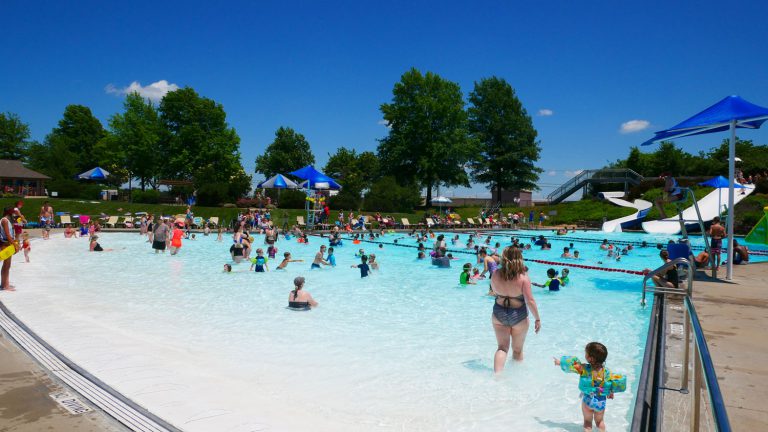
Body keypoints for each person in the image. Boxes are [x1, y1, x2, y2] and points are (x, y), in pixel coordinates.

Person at [554, 342, 627, 432]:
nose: (585, 355)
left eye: (586, 353)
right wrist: (610, 392)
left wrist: (559, 362)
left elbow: (571, 366)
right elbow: (610, 384)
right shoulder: (606, 372)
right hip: (601, 402)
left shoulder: (584, 369)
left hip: (588, 401)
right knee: (600, 422)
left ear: (590, 358)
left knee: (587, 423)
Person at [489, 247, 541, 373]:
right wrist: (537, 319)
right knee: (517, 350)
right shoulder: (523, 278)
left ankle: (497, 377)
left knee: (502, 348)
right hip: (519, 314)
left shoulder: (495, 274)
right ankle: (517, 380)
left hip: (499, 312)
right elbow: (530, 301)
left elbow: (494, 292)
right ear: (519, 259)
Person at [1, 207, 20, 291]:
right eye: (12, 213)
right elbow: (8, 235)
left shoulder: (6, 220)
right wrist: (15, 244)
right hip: (5, 244)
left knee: (7, 265)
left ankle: (4, 284)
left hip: (7, 243)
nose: (13, 214)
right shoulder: (5, 220)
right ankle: (5, 286)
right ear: (9, 213)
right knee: (6, 265)